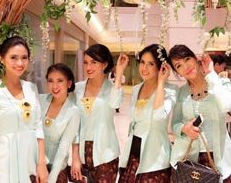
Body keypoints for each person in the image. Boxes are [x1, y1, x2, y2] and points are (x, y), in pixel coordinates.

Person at [168, 45, 231, 182]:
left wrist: (210, 73)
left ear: (196, 59)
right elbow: (175, 124)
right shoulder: (182, 93)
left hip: (217, 157)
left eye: (187, 59)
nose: (185, 66)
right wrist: (184, 129)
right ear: (178, 73)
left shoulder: (221, 83)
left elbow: (227, 105)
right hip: (188, 159)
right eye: (178, 65)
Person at [118, 44, 178, 183]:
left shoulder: (170, 90)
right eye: (142, 62)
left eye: (151, 64)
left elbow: (158, 118)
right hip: (133, 154)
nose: (144, 68)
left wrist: (161, 83)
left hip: (155, 157)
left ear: (161, 66)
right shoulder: (136, 89)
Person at [71, 44, 128, 183]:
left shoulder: (112, 88)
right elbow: (74, 125)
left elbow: (115, 104)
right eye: (86, 62)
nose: (88, 67)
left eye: (93, 62)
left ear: (104, 65)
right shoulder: (77, 89)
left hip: (106, 155)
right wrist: (75, 157)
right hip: (82, 155)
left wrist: (119, 73)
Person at [0, 36, 48, 183]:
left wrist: (42, 163)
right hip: (2, 164)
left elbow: (38, 126)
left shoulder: (31, 88)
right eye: (13, 57)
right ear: (1, 58)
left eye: (24, 58)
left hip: (29, 161)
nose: (20, 63)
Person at [39, 63, 81, 183]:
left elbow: (63, 147)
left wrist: (51, 179)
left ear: (69, 83)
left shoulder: (73, 111)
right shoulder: (40, 100)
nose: (55, 86)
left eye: (60, 81)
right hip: (36, 166)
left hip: (56, 169)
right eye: (50, 81)